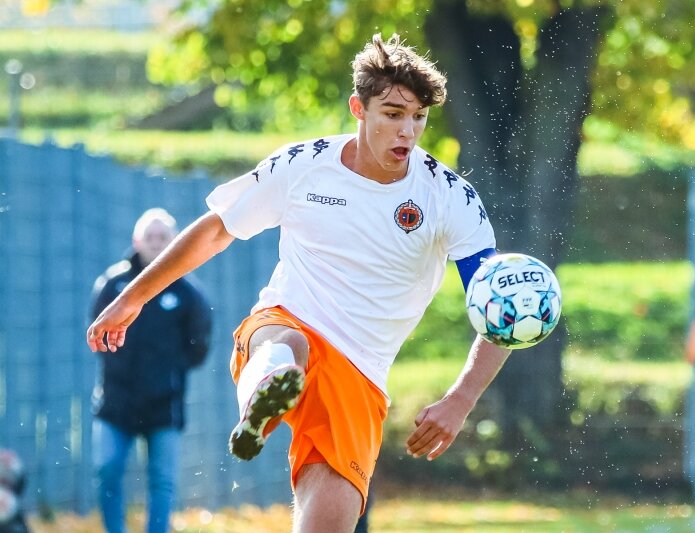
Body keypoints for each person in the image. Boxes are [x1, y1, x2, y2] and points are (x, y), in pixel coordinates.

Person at [87, 34, 511, 533]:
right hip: (288, 322)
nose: (407, 130)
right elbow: (218, 229)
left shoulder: (449, 196)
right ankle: (264, 397)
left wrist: (461, 399)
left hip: (360, 372)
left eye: (418, 117)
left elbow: (498, 308)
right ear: (358, 108)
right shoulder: (304, 165)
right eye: (393, 113)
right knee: (287, 344)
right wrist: (133, 297)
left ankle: (270, 391)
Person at [88, 208, 212, 533]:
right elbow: (96, 331)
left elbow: (199, 346)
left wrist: (167, 373)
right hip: (115, 403)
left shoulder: (188, 293)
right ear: (136, 241)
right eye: (150, 236)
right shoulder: (113, 285)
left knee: (162, 481)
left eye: (163, 237)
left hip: (164, 405)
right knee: (107, 470)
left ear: (175, 240)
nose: (156, 242)